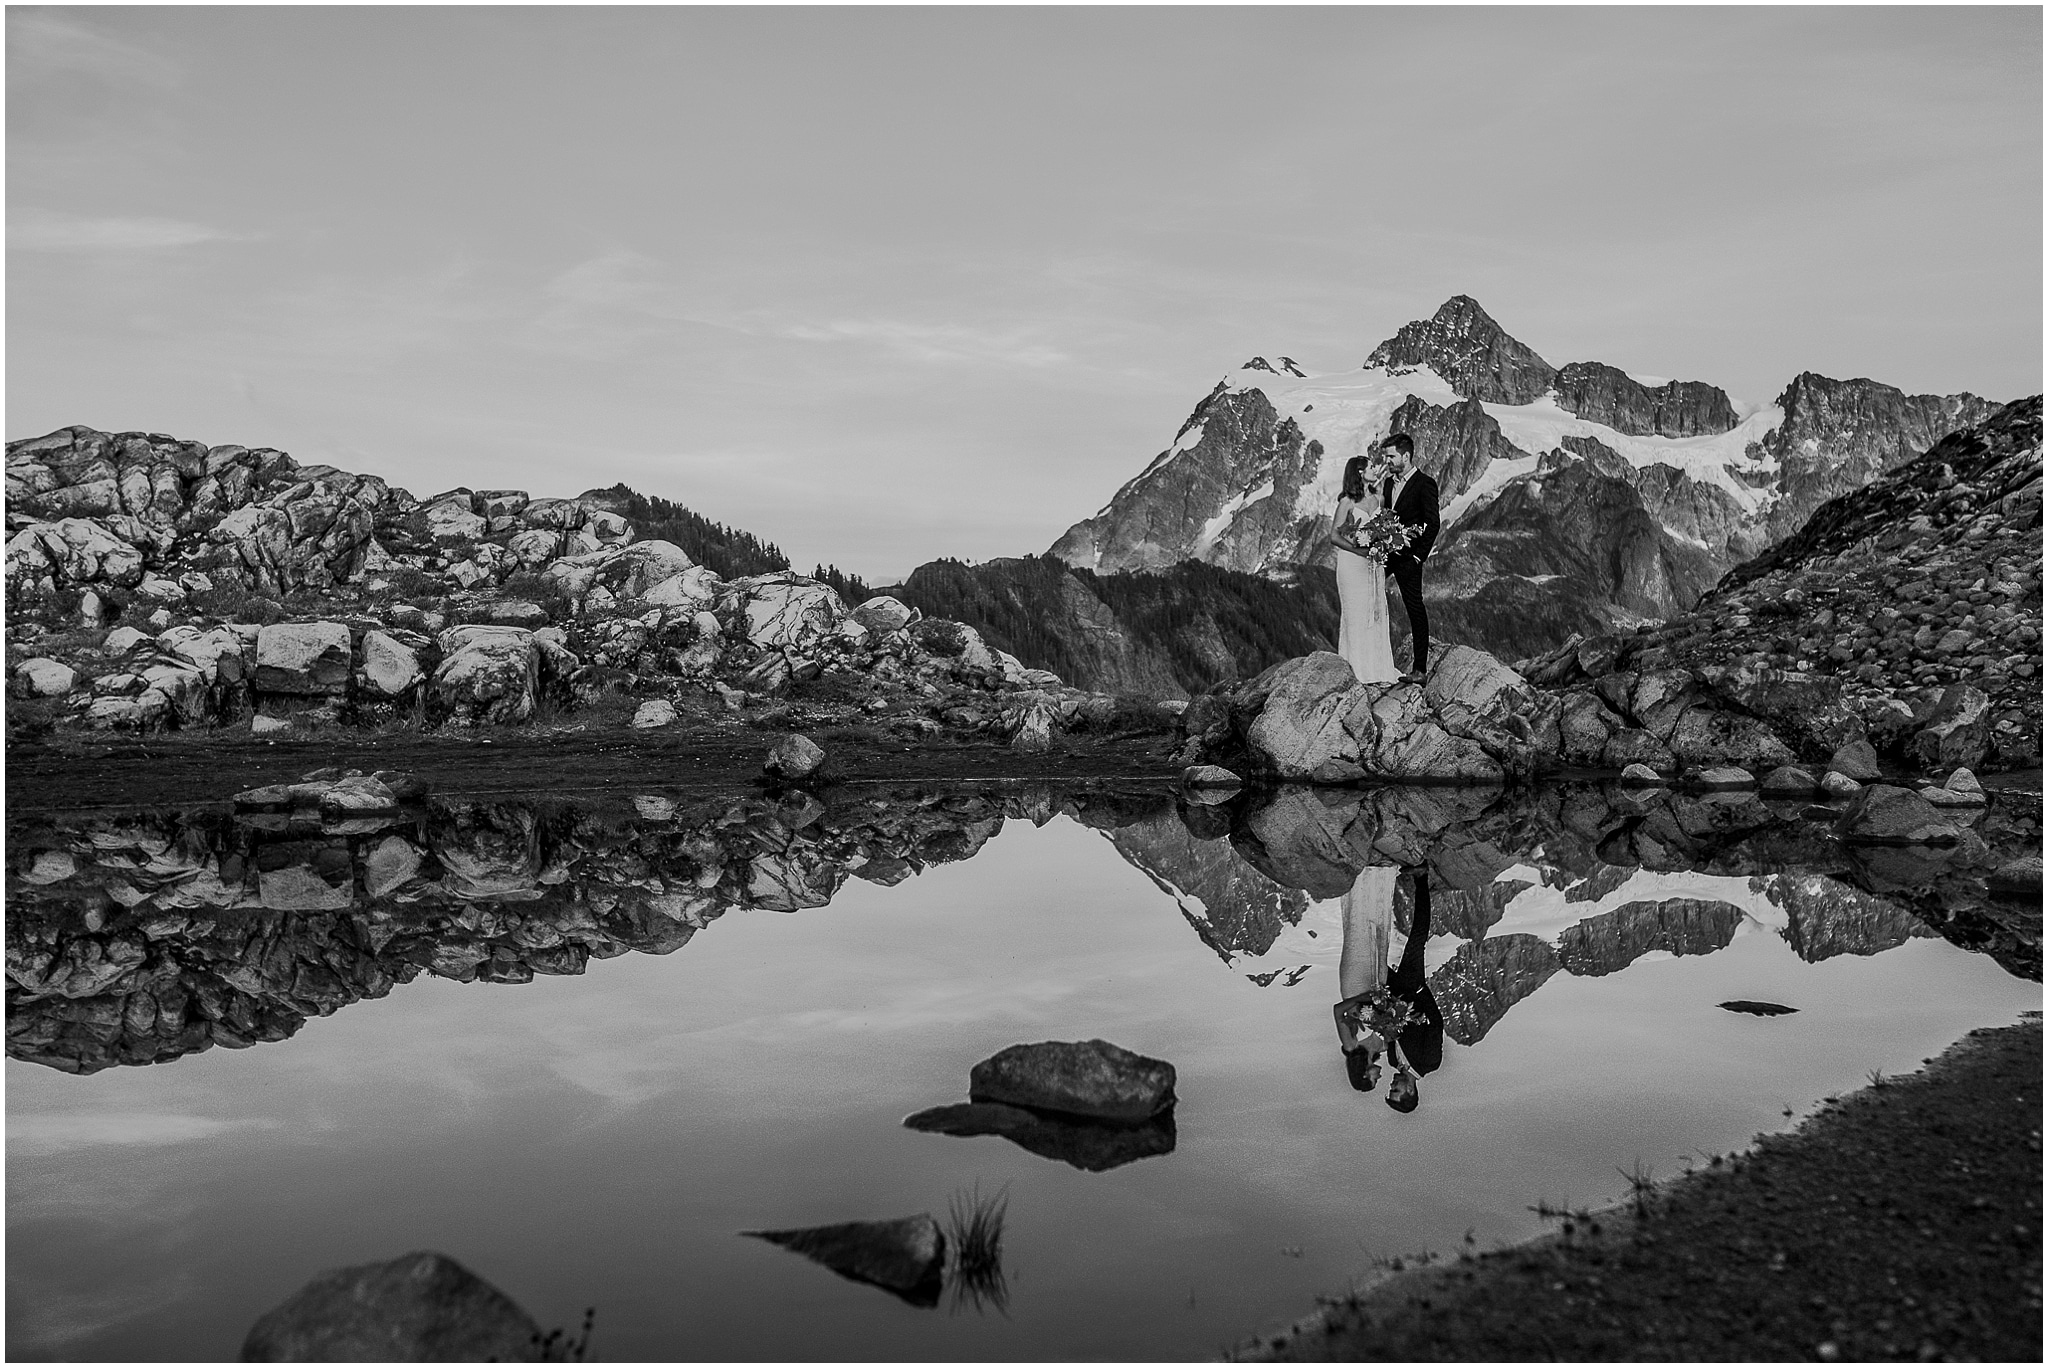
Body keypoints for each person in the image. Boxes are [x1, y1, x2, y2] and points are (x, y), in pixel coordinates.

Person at [1331, 864, 1445, 1112]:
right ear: (1410, 1091)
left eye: (1390, 1089)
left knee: (1373, 951)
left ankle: (1376, 890)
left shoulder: (1392, 1059)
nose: (1391, 1084)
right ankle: (1421, 877)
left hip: (1388, 991)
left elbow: (1381, 1028)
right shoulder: (1430, 1062)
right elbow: (1436, 1022)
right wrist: (1420, 992)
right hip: (1413, 988)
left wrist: (1380, 1007)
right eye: (1396, 1089)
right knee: (1417, 938)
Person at [1332, 448, 1400, 684]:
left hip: (1373, 563)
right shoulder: (1347, 502)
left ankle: (1378, 668)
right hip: (1352, 564)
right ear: (1360, 473)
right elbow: (1335, 535)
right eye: (1371, 467)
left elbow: (1385, 524)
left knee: (1376, 610)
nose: (1375, 470)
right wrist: (1359, 550)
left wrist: (1383, 542)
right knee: (1356, 614)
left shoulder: (1378, 498)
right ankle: (1358, 670)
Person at [1377, 434, 1441, 681]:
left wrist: (1417, 557)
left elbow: (1431, 523)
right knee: (1370, 597)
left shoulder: (1425, 484)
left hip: (1408, 558)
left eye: (1391, 456)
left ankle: (1420, 670)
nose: (1388, 461)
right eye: (1386, 457)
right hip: (1385, 554)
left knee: (1415, 609)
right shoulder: (1387, 484)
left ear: (1406, 456)